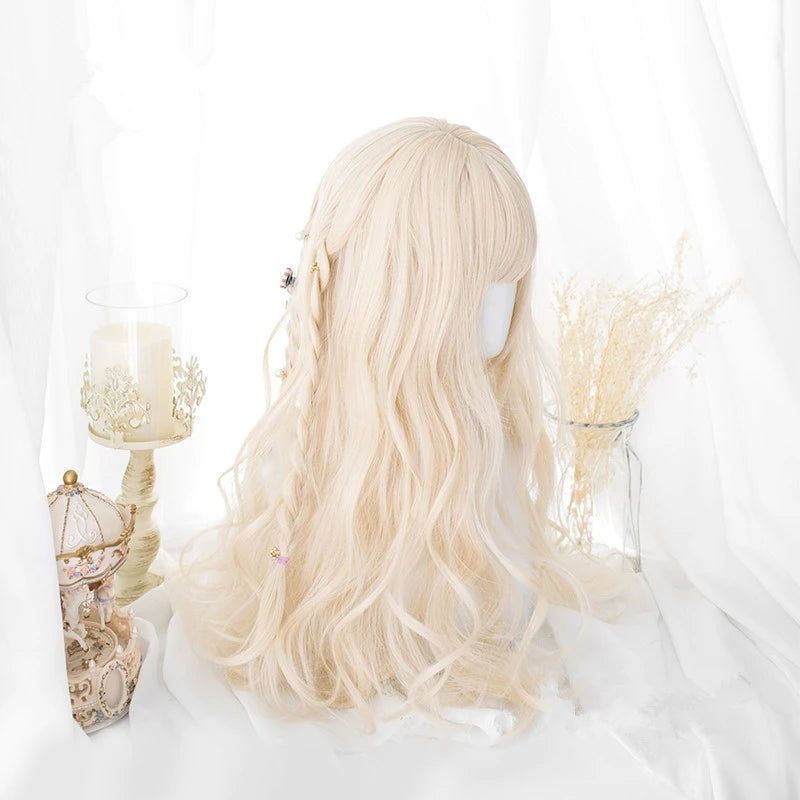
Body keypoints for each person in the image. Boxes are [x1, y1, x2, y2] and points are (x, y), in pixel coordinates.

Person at [179, 117, 622, 732]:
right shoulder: (311, 473)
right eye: (477, 282)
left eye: (510, 281)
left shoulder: (490, 453)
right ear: (395, 292)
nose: (501, 308)